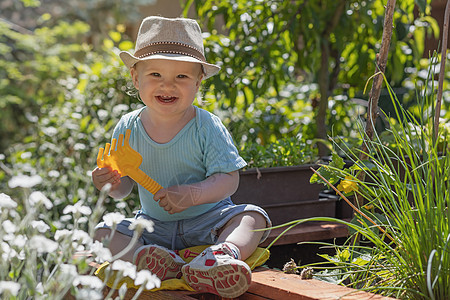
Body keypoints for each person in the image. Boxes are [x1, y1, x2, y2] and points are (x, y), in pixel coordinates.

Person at [91, 16, 271, 298]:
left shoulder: (206, 125)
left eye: (182, 77)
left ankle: (220, 255)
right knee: (103, 232)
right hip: (153, 226)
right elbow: (123, 188)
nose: (168, 85)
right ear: (136, 78)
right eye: (155, 75)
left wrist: (194, 193)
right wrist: (109, 182)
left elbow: (229, 179)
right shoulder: (127, 127)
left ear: (198, 83)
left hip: (208, 222)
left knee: (252, 218)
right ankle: (155, 261)